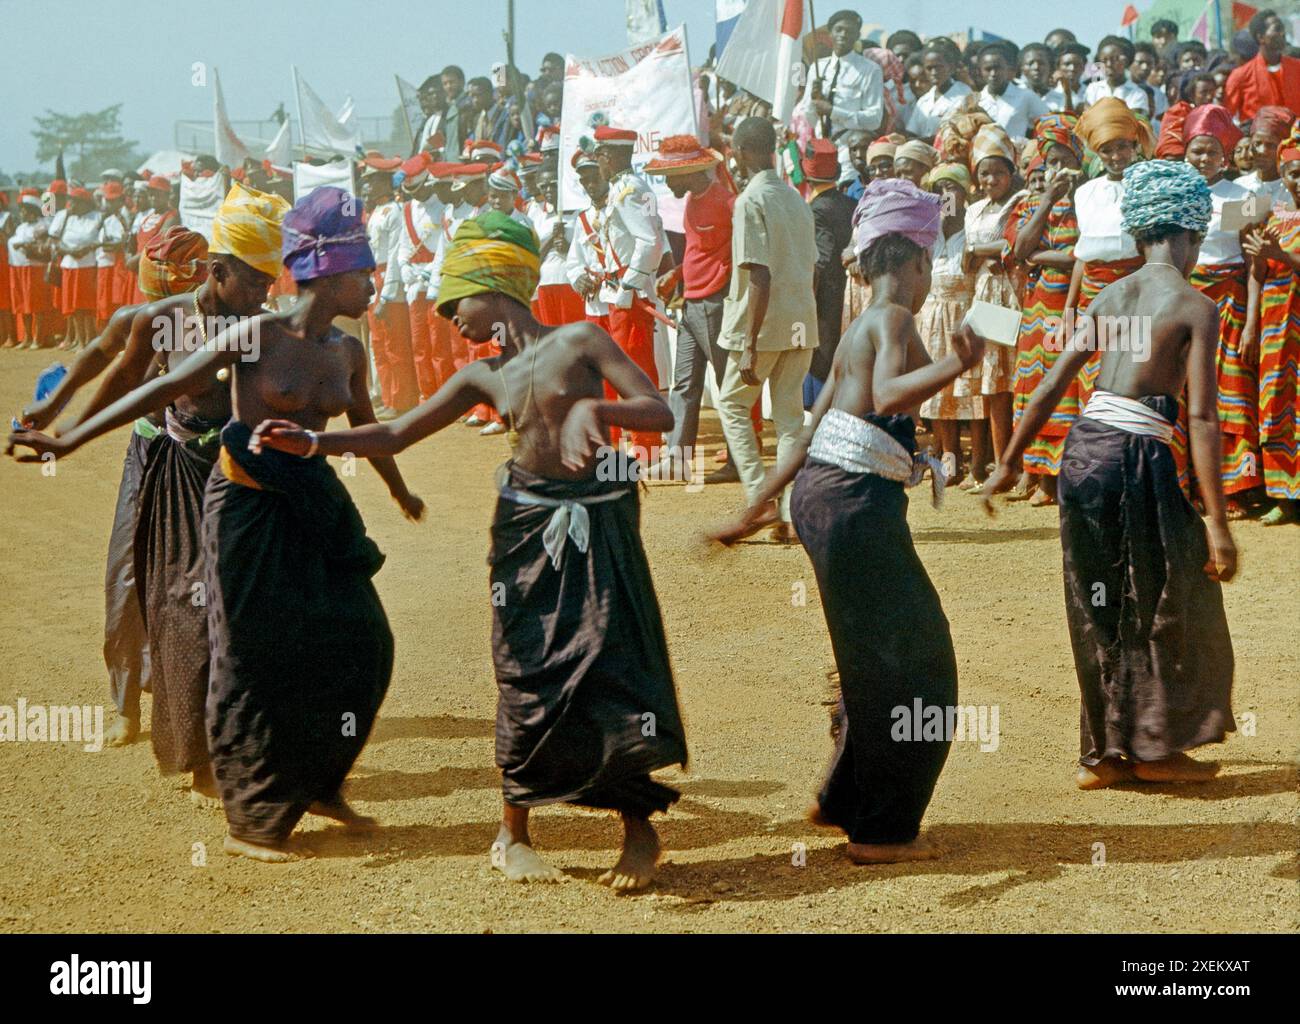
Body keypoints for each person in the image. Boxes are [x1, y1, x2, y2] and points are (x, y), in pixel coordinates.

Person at [255, 210, 684, 888]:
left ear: (498, 286)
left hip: (599, 528)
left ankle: (638, 832)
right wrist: (315, 443)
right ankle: (513, 834)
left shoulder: (582, 340)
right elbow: (395, 434)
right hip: (523, 530)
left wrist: (595, 411)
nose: (450, 316)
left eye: (458, 302)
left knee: (614, 667)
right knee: (525, 671)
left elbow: (661, 411)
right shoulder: (483, 376)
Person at [711, 177, 986, 863]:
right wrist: (961, 360)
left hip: (823, 498)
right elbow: (889, 395)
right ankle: (880, 829)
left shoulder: (860, 328)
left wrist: (757, 506)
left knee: (871, 657)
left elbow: (807, 432)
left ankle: (844, 800)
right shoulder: (891, 322)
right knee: (913, 665)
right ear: (918, 262)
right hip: (853, 506)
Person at [8, 184, 290, 805]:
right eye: (256, 280)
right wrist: (58, 418)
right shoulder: (157, 320)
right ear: (212, 273)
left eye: (271, 281)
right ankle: (139, 712)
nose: (267, 291)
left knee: (238, 601)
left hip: (235, 474)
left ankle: (234, 732)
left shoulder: (260, 326)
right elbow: (117, 376)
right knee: (139, 583)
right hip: (164, 459)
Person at [984, 160, 1236, 789]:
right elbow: (1201, 418)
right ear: (1190, 236)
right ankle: (1153, 749)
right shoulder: (1195, 305)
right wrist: (1219, 523)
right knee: (1171, 594)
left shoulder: (1110, 294)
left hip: (1084, 450)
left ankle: (1101, 756)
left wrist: (1009, 461)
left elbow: (1050, 382)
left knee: (1095, 597)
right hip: (1137, 454)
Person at [17, 227, 210, 746]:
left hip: (205, 456)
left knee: (204, 580)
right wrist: (52, 407)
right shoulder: (137, 321)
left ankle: (206, 704)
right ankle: (125, 705)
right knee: (127, 574)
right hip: (150, 451)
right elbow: (99, 363)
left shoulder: (219, 322)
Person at [715, 117, 819, 542]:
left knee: (732, 405)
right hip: (800, 320)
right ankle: (792, 515)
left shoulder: (750, 200)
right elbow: (810, 268)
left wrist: (749, 343)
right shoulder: (796, 199)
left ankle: (762, 500)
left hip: (767, 324)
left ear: (740, 153)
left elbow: (758, 274)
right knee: (790, 418)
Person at [1183, 105, 1262, 510]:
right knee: (1188, 390)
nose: (1203, 159)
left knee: (1231, 388)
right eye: (1196, 151)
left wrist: (1250, 321)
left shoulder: (1240, 196)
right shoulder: (1175, 193)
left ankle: (1237, 485)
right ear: (1185, 152)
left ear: (1225, 156)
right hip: (1187, 300)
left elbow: (1252, 262)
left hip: (1230, 301)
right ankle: (1192, 483)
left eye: (1212, 152)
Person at [644, 135, 735, 480]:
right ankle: (677, 459)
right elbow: (702, 252)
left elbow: (740, 255)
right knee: (684, 383)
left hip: (715, 303)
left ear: (688, 173)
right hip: (694, 303)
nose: (667, 183)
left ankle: (738, 459)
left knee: (726, 383)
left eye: (670, 176)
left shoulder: (727, 203)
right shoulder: (696, 200)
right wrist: (678, 274)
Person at [1010, 113, 1084, 506]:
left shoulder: (1089, 200)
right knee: (1033, 385)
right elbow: (1020, 249)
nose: (1057, 168)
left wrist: (1044, 256)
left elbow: (1083, 257)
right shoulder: (1036, 203)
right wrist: (1048, 201)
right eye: (1049, 161)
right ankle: (1034, 470)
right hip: (1037, 309)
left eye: (1063, 159)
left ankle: (1056, 477)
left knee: (1064, 389)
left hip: (1071, 306)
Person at [1069, 99, 1154, 404]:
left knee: (1132, 371)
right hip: (1091, 296)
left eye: (1122, 147)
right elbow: (1083, 256)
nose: (1116, 156)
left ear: (1134, 144)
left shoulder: (1150, 187)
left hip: (1136, 292)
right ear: (1097, 152)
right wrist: (1069, 310)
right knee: (1091, 372)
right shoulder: (1085, 193)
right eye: (1107, 150)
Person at [593, 125, 668, 460]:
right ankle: (642, 440)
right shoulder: (627, 187)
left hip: (629, 291)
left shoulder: (629, 190)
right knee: (630, 365)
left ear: (610, 156)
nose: (598, 161)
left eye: (600, 155)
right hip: (619, 289)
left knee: (635, 367)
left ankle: (647, 444)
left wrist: (631, 283)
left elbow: (650, 241)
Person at [1242, 125, 1300, 525]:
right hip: (1277, 323)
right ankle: (1285, 496)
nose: (1299, 178)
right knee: (1275, 402)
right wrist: (1250, 323)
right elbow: (1256, 274)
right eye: (1293, 171)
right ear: (1283, 173)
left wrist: (1283, 254)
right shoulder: (1274, 215)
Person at [963, 124, 1025, 479]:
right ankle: (1001, 464)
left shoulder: (1020, 202)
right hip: (985, 294)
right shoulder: (973, 210)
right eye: (984, 172)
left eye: (999, 172)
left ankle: (1020, 464)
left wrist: (978, 251)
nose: (991, 179)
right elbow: (967, 259)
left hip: (1013, 293)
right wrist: (976, 254)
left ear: (1011, 173)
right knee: (993, 383)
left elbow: (1013, 247)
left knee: (1017, 379)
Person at [916, 161, 977, 482]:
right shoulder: (929, 231)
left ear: (966, 193)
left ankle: (970, 457)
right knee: (936, 390)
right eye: (939, 188)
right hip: (931, 316)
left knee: (965, 391)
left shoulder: (975, 229)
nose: (945, 195)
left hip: (964, 316)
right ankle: (944, 452)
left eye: (951, 187)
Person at [795, 9, 885, 173]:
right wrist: (814, 102)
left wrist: (832, 111)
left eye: (849, 31)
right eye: (838, 30)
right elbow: (809, 116)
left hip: (850, 152)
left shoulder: (870, 70)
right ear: (830, 33)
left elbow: (874, 119)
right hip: (822, 149)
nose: (843, 35)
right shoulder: (818, 67)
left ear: (857, 35)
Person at [806, 139, 857, 410]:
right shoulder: (849, 203)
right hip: (849, 291)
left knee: (822, 359)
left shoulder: (817, 210)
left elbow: (821, 259)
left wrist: (809, 297)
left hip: (826, 296)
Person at [364, 169, 418, 416]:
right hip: (375, 277)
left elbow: (396, 254)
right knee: (379, 345)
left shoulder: (395, 212)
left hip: (389, 279)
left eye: (374, 182)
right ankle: (387, 397)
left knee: (395, 344)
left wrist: (387, 294)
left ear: (386, 183)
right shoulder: (375, 212)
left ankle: (401, 400)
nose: (369, 187)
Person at [50, 186, 102, 350]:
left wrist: (85, 249)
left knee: (87, 306)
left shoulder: (96, 217)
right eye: (70, 200)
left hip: (87, 266)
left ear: (84, 203)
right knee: (73, 307)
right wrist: (69, 251)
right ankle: (80, 341)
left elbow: (98, 240)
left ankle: (90, 339)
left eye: (74, 201)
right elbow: (57, 241)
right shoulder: (68, 218)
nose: (70, 204)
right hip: (69, 266)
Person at [1225, 9, 1300, 123]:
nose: (1283, 33)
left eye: (1282, 29)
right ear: (1261, 37)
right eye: (1277, 29)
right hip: (1261, 139)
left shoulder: (1297, 68)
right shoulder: (1240, 76)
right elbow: (1227, 117)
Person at [977, 41, 1050, 140]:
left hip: (1017, 154)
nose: (993, 73)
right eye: (988, 69)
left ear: (1008, 68)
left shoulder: (1026, 96)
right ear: (980, 71)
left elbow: (1050, 124)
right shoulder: (976, 100)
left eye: (998, 68)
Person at [1236, 106, 1297, 213]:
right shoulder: (1240, 186)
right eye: (1257, 143)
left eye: (1271, 145)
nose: (1262, 151)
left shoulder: (1294, 190)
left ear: (1283, 148)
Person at [907, 39, 972, 139]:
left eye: (938, 67)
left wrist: (923, 141)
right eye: (929, 68)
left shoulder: (964, 94)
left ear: (950, 67)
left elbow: (961, 133)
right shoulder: (924, 100)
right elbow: (912, 131)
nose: (934, 72)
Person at [1084, 36, 1149, 112]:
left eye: (1114, 59)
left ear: (1125, 61)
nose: (1109, 64)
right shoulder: (1093, 89)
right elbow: (1088, 118)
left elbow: (1130, 121)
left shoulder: (1137, 93)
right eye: (1104, 60)